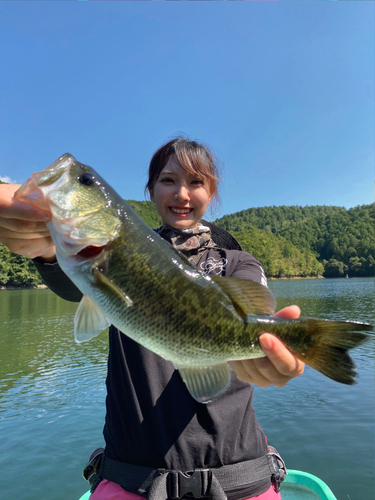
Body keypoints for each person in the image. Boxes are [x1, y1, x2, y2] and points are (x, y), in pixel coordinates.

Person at [0, 138, 304, 500]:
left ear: (212, 192)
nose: (182, 193)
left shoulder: (239, 262)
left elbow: (254, 312)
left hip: (239, 476)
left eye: (195, 182)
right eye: (167, 180)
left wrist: (274, 349)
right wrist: (46, 248)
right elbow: (71, 285)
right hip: (131, 478)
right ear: (150, 189)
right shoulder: (117, 248)